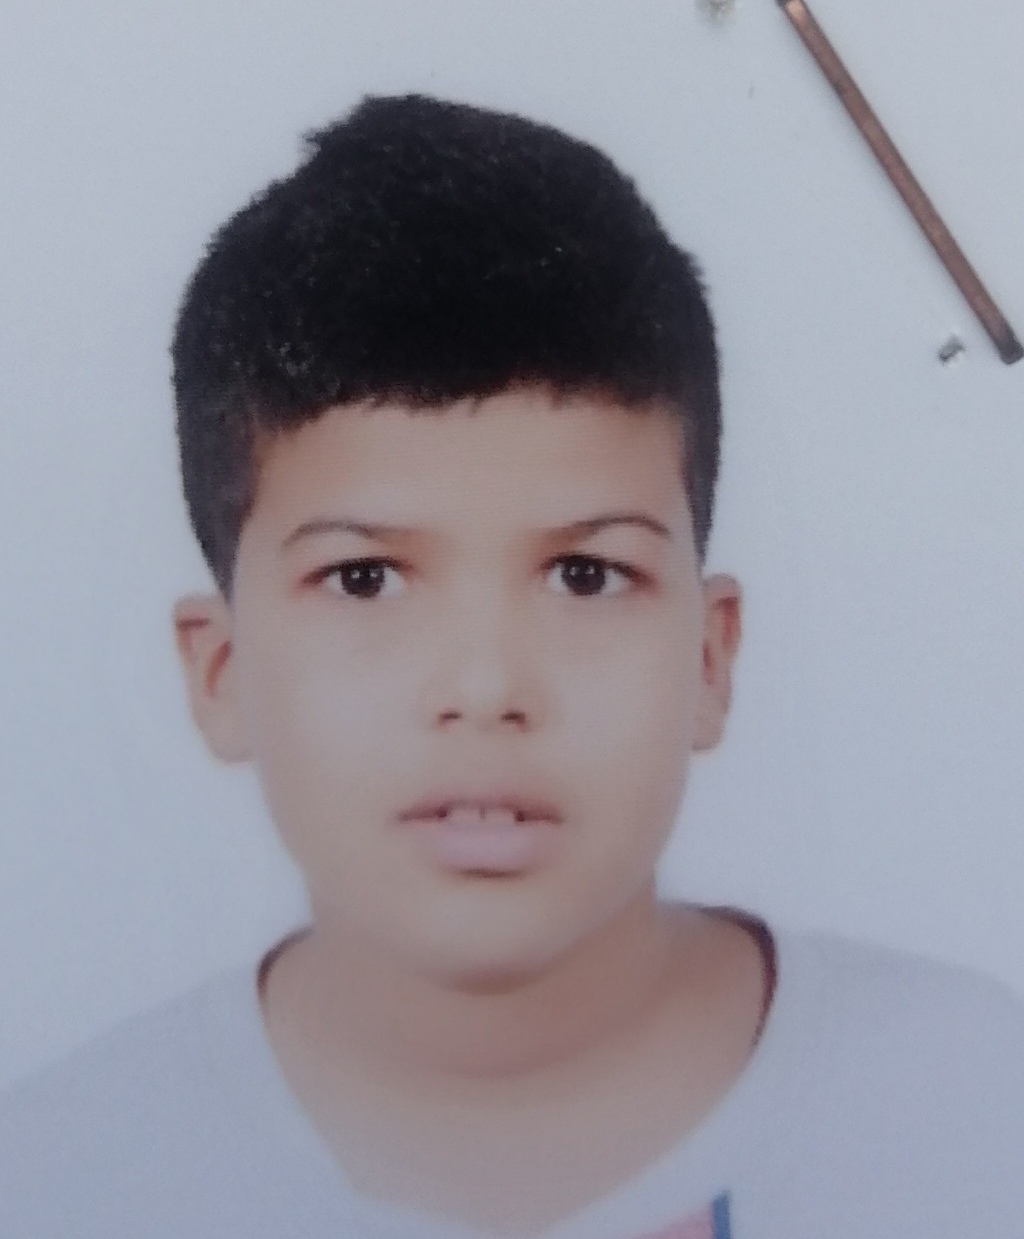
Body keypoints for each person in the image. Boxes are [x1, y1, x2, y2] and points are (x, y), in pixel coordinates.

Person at [1, 92, 1022, 1239]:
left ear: (709, 655)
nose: (485, 689)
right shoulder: (54, 1185)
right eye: (364, 579)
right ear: (221, 672)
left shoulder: (977, 1112)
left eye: (585, 575)